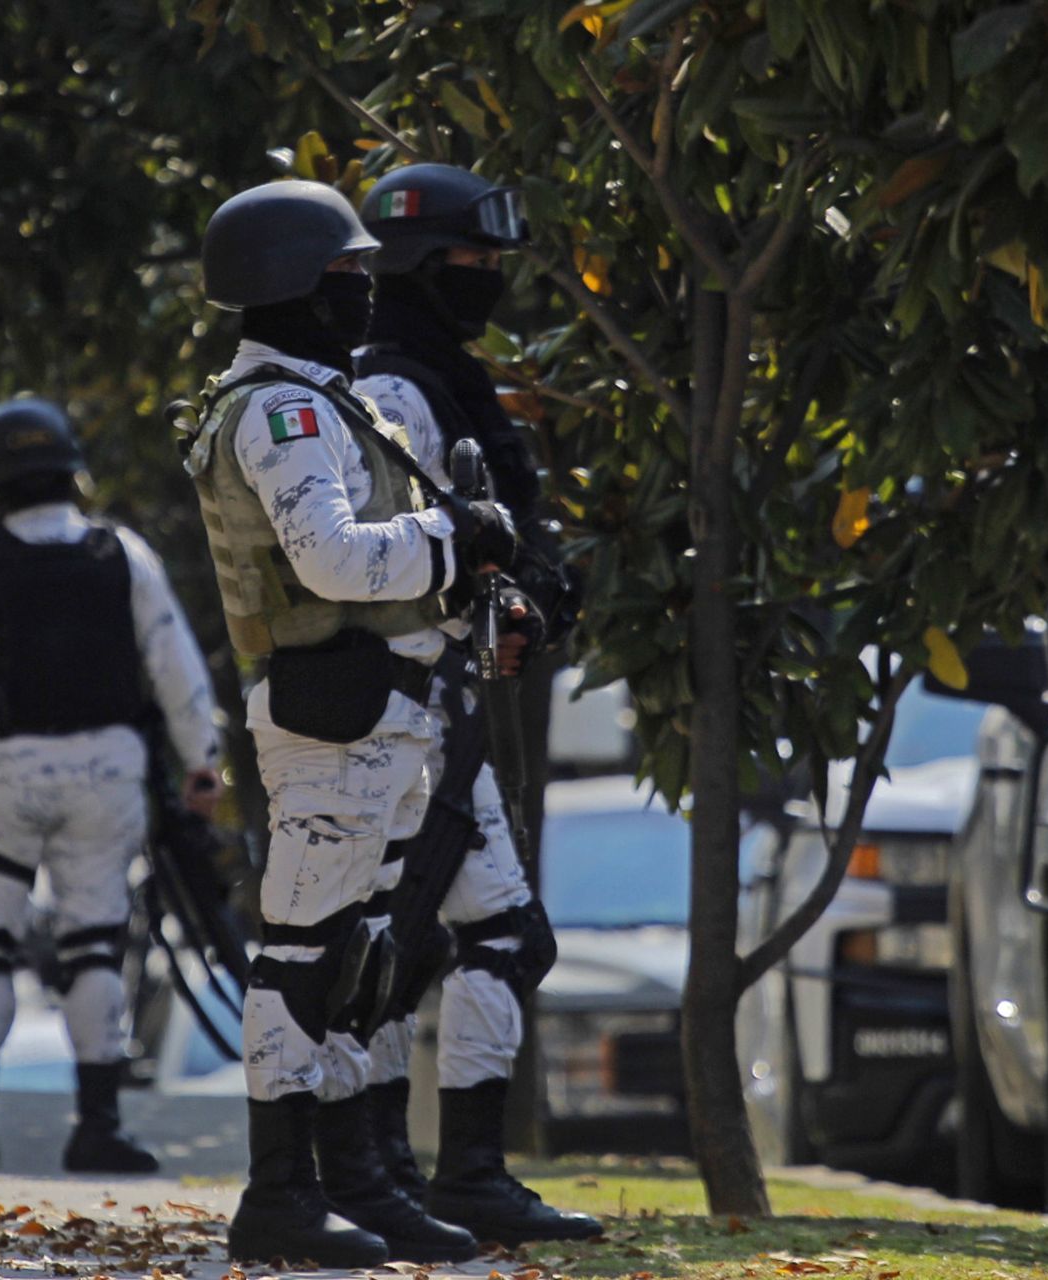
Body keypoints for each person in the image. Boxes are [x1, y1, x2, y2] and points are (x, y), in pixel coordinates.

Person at [185, 179, 519, 1267]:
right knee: (303, 954)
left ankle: (351, 1182)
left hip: (383, 713)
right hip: (335, 710)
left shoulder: (323, 398)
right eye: (344, 277)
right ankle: (279, 1193)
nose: (363, 293)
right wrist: (451, 534)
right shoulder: (282, 412)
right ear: (287, 286)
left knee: (362, 955)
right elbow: (329, 557)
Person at [352, 163, 601, 1246]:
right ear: (413, 263)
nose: (491, 278)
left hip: (438, 703)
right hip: (397, 710)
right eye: (472, 259)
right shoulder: (393, 390)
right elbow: (407, 554)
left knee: (489, 937)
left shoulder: (443, 378)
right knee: (411, 946)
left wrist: (529, 598)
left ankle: (450, 1173)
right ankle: (395, 1174)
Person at [0, 397, 221, 1175]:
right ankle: (99, 1129)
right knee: (94, 947)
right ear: (70, 472)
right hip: (107, 774)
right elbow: (175, 666)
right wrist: (202, 762)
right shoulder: (122, 555)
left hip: (1, 773)